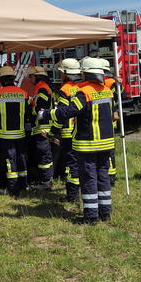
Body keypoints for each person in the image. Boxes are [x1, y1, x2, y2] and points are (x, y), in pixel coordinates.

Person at [48, 57, 114, 225]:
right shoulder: (107, 90)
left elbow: (68, 111)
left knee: (88, 178)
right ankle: (105, 212)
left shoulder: (83, 93)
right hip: (106, 143)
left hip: (88, 144)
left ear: (86, 74)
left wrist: (48, 114)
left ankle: (91, 216)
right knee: (103, 176)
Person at [0, 66, 29, 197]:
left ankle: (13, 188)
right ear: (13, 79)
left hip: (5, 134)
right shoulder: (24, 93)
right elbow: (28, 113)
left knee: (10, 160)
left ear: (2, 80)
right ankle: (23, 185)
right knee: (21, 158)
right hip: (20, 133)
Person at [52, 59, 82, 203]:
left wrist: (52, 131)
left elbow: (62, 115)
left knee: (71, 164)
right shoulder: (85, 86)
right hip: (83, 132)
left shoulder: (65, 90)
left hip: (69, 133)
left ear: (65, 74)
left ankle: (72, 196)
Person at [28, 65, 54, 191]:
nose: (30, 79)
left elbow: (41, 108)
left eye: (31, 77)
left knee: (44, 154)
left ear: (38, 76)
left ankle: (46, 181)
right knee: (43, 154)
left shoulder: (42, 89)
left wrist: (30, 109)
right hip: (41, 126)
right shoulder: (39, 88)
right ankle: (45, 180)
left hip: (44, 127)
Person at [100, 58, 120, 186]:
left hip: (106, 120)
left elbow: (119, 96)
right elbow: (121, 96)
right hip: (108, 120)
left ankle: (111, 176)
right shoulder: (111, 82)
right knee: (108, 150)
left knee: (108, 150)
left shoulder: (109, 83)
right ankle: (110, 175)